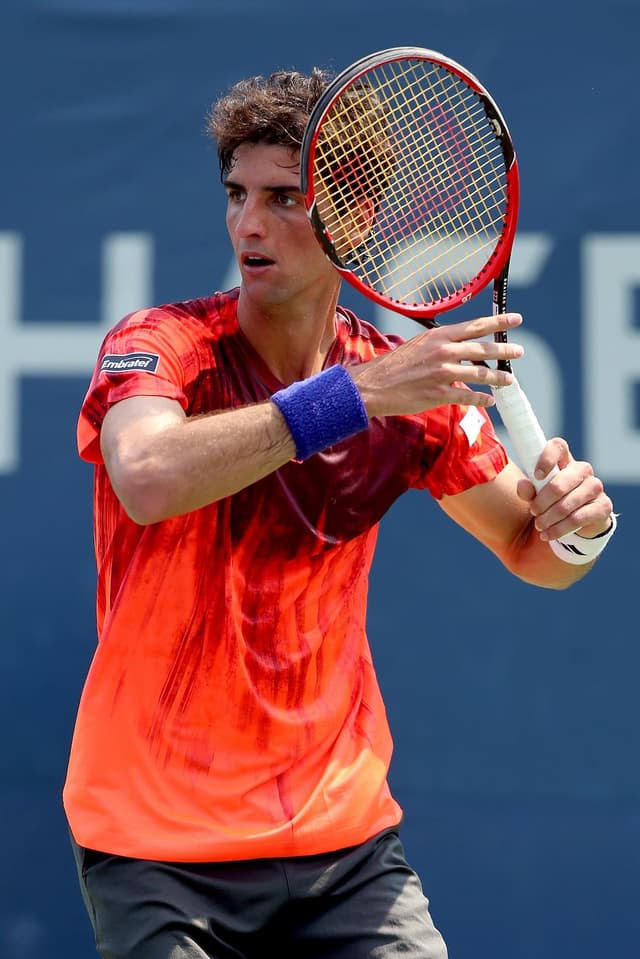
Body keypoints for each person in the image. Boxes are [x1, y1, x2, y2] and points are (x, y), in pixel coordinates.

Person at [63, 66, 616, 959]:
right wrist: (357, 393)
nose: (249, 222)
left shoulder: (407, 390)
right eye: (237, 194)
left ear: (353, 220)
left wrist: (580, 525)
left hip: (343, 850)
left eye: (285, 197)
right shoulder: (158, 344)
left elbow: (534, 547)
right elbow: (149, 477)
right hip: (157, 848)